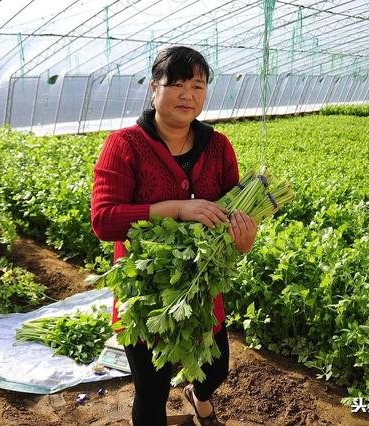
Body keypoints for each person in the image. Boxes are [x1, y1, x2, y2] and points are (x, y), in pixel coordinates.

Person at [91, 46, 257, 426]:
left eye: (198, 86)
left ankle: (197, 396)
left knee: (215, 371)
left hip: (201, 286)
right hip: (146, 294)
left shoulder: (218, 146)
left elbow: (233, 211)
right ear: (154, 88)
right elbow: (104, 220)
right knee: (151, 391)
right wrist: (175, 207)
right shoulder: (125, 145)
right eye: (177, 84)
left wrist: (243, 240)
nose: (188, 94)